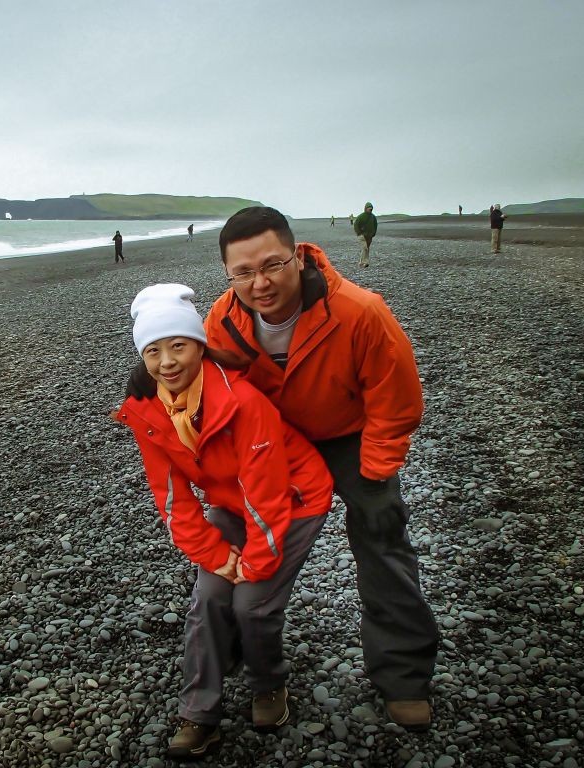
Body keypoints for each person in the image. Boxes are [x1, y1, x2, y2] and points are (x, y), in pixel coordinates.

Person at [201, 206, 437, 731]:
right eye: (242, 272)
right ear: (227, 273)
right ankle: (244, 651)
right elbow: (215, 392)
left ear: (296, 255)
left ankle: (403, 676)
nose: (259, 283)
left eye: (272, 265)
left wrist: (374, 469)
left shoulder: (360, 311)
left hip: (349, 436)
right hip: (273, 440)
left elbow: (395, 400)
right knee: (234, 529)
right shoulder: (222, 318)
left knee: (381, 536)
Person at [118, 284, 333, 759]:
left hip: (294, 499)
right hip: (234, 502)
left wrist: (251, 564)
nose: (167, 361)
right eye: (153, 351)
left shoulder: (242, 400)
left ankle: (267, 684)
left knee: (252, 603)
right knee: (210, 596)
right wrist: (217, 557)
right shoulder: (150, 410)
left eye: (178, 345)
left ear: (199, 344)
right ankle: (200, 714)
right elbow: (173, 498)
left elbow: (267, 493)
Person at [353, 202, 377, 267]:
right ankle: (365, 262)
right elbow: (356, 224)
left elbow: (375, 225)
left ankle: (361, 262)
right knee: (365, 248)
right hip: (362, 236)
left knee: (366, 249)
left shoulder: (373, 217)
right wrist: (359, 233)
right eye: (369, 209)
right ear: (366, 208)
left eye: (371, 209)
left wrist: (374, 233)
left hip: (369, 236)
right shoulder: (361, 216)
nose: (370, 210)